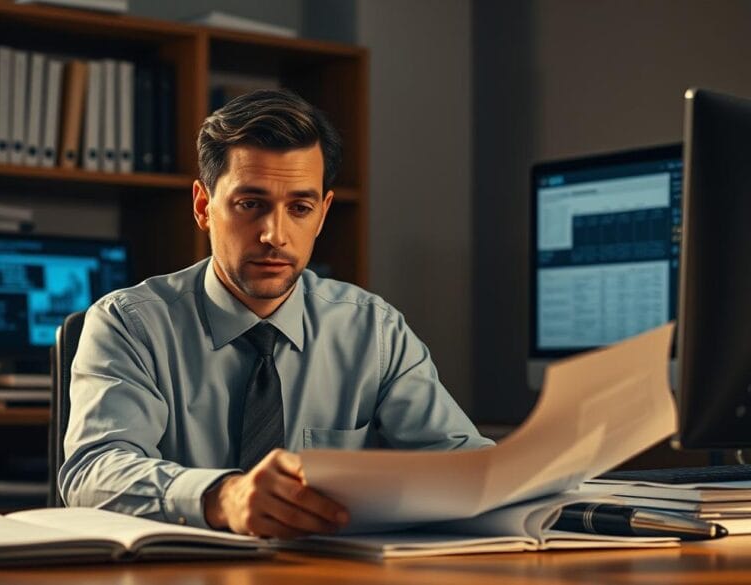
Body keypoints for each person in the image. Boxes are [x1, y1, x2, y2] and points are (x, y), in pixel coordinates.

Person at [60, 89, 493, 538]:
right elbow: (93, 470)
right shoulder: (128, 324)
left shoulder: (374, 331)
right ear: (203, 206)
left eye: (300, 208)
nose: (274, 235)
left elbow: (462, 462)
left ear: (322, 214)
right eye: (251, 204)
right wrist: (221, 497)